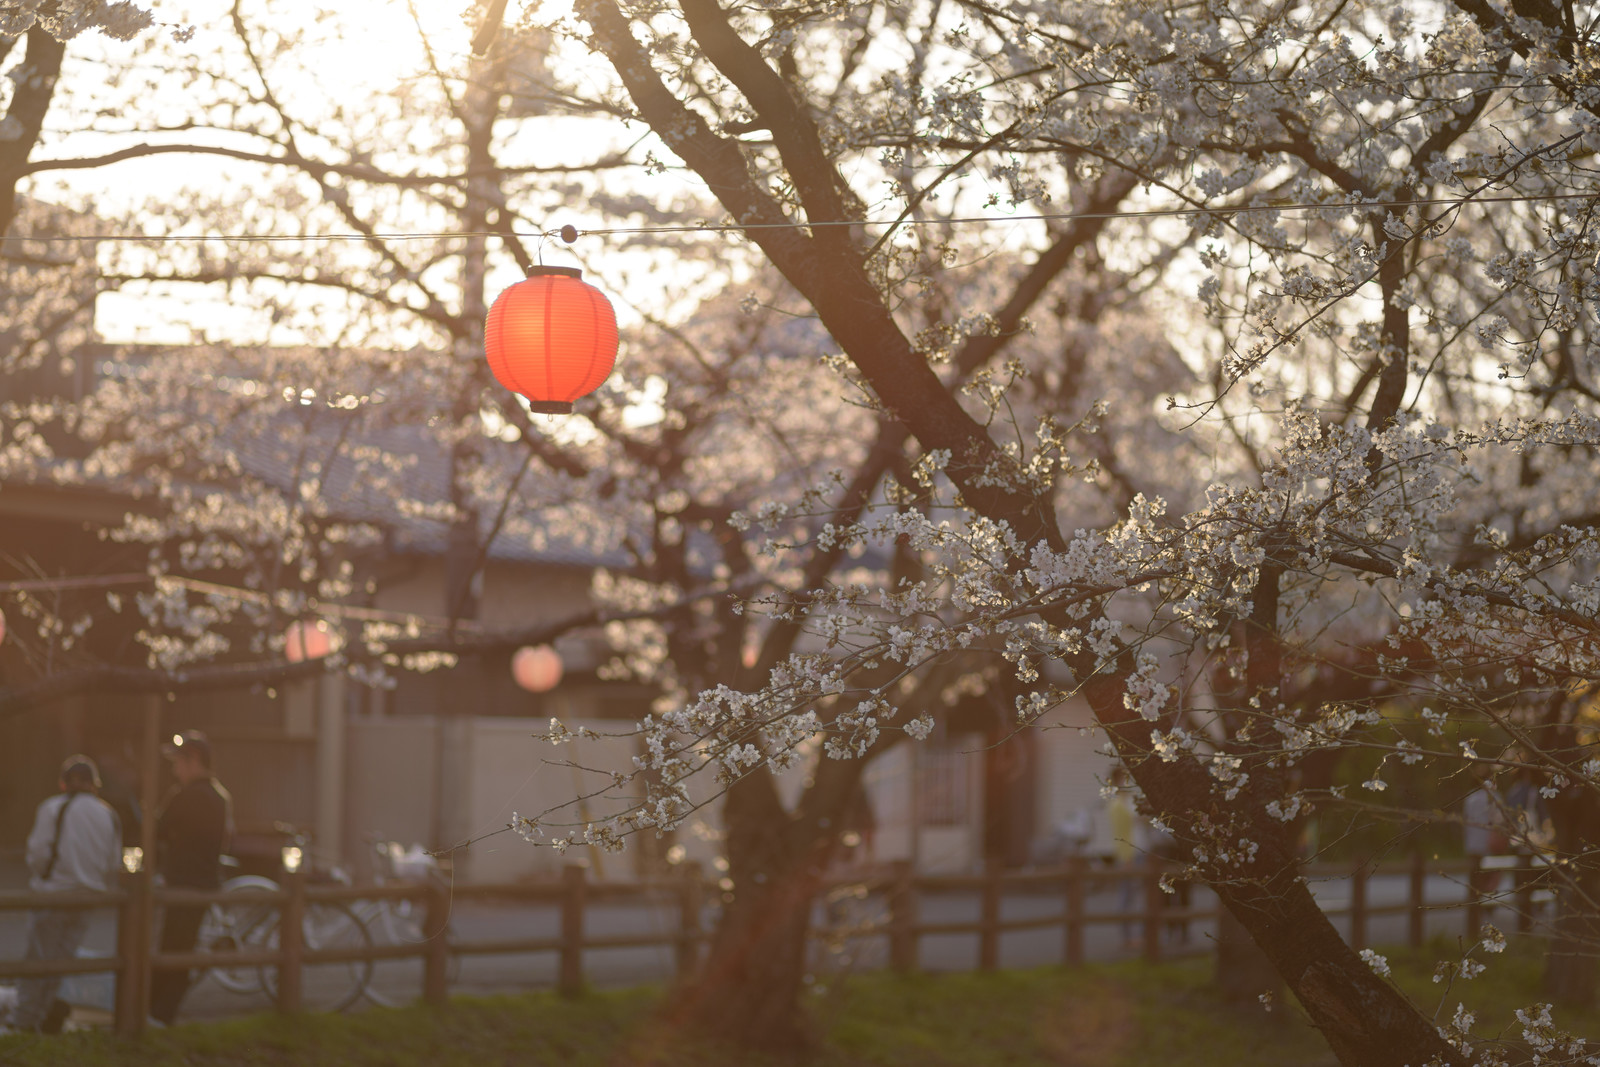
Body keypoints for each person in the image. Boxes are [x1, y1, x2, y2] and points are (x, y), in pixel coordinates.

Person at [11, 756, 122, 1034]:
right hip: (88, 898)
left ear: (63, 783)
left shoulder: (53, 808)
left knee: (37, 961)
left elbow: (37, 853)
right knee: (62, 960)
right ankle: (45, 1018)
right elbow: (112, 862)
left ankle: (24, 1021)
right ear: (94, 785)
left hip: (54, 894)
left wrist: (46, 875)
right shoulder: (108, 814)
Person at [148, 730, 233, 1027]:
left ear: (193, 760)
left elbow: (157, 829)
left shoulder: (185, 796)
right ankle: (159, 1012)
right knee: (183, 947)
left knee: (172, 948)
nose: (175, 770)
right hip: (205, 884)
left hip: (181, 882)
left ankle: (158, 1013)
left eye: (178, 762)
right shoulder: (220, 797)